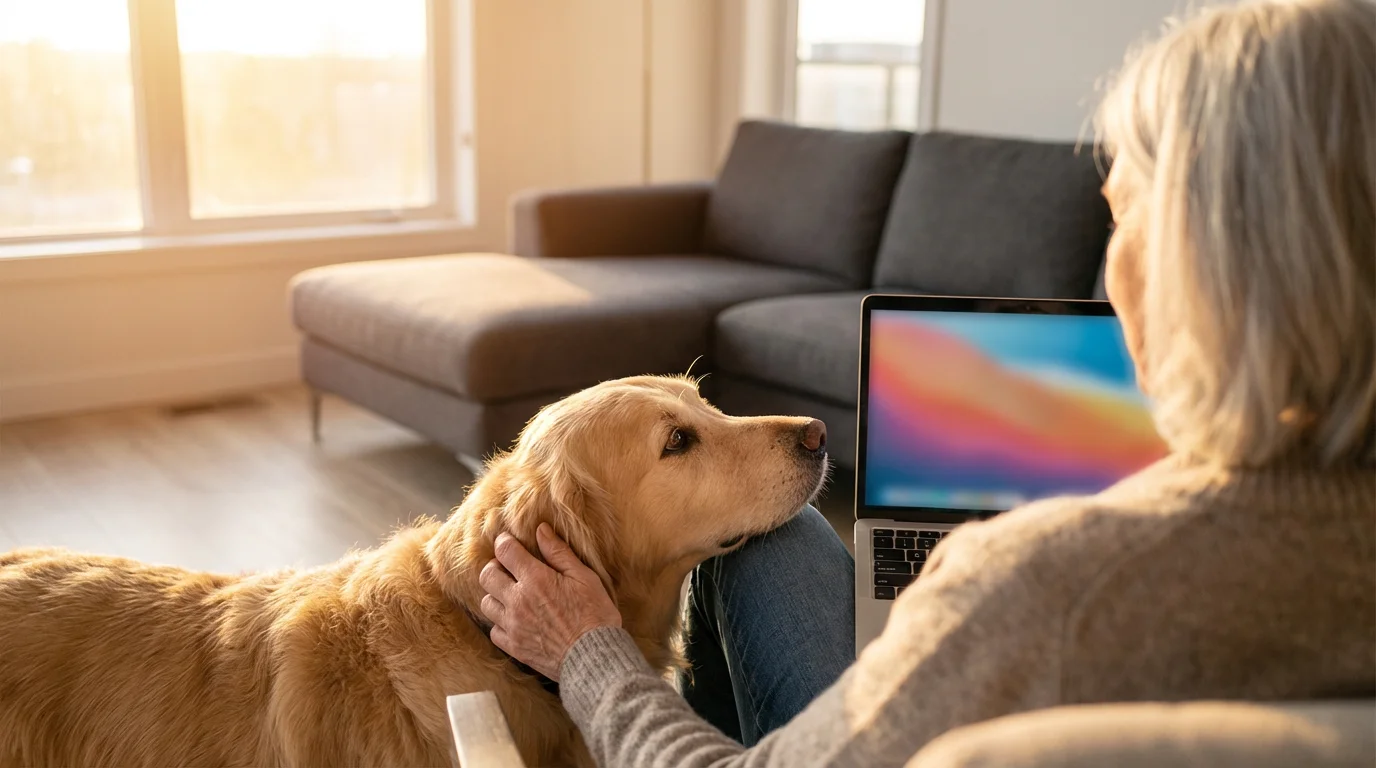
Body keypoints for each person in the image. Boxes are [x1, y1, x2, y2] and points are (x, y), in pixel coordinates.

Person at [476, 0, 1376, 764]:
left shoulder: (1025, 590)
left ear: (1203, 268)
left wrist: (590, 649)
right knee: (769, 534)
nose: (1111, 256)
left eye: (1125, 209)